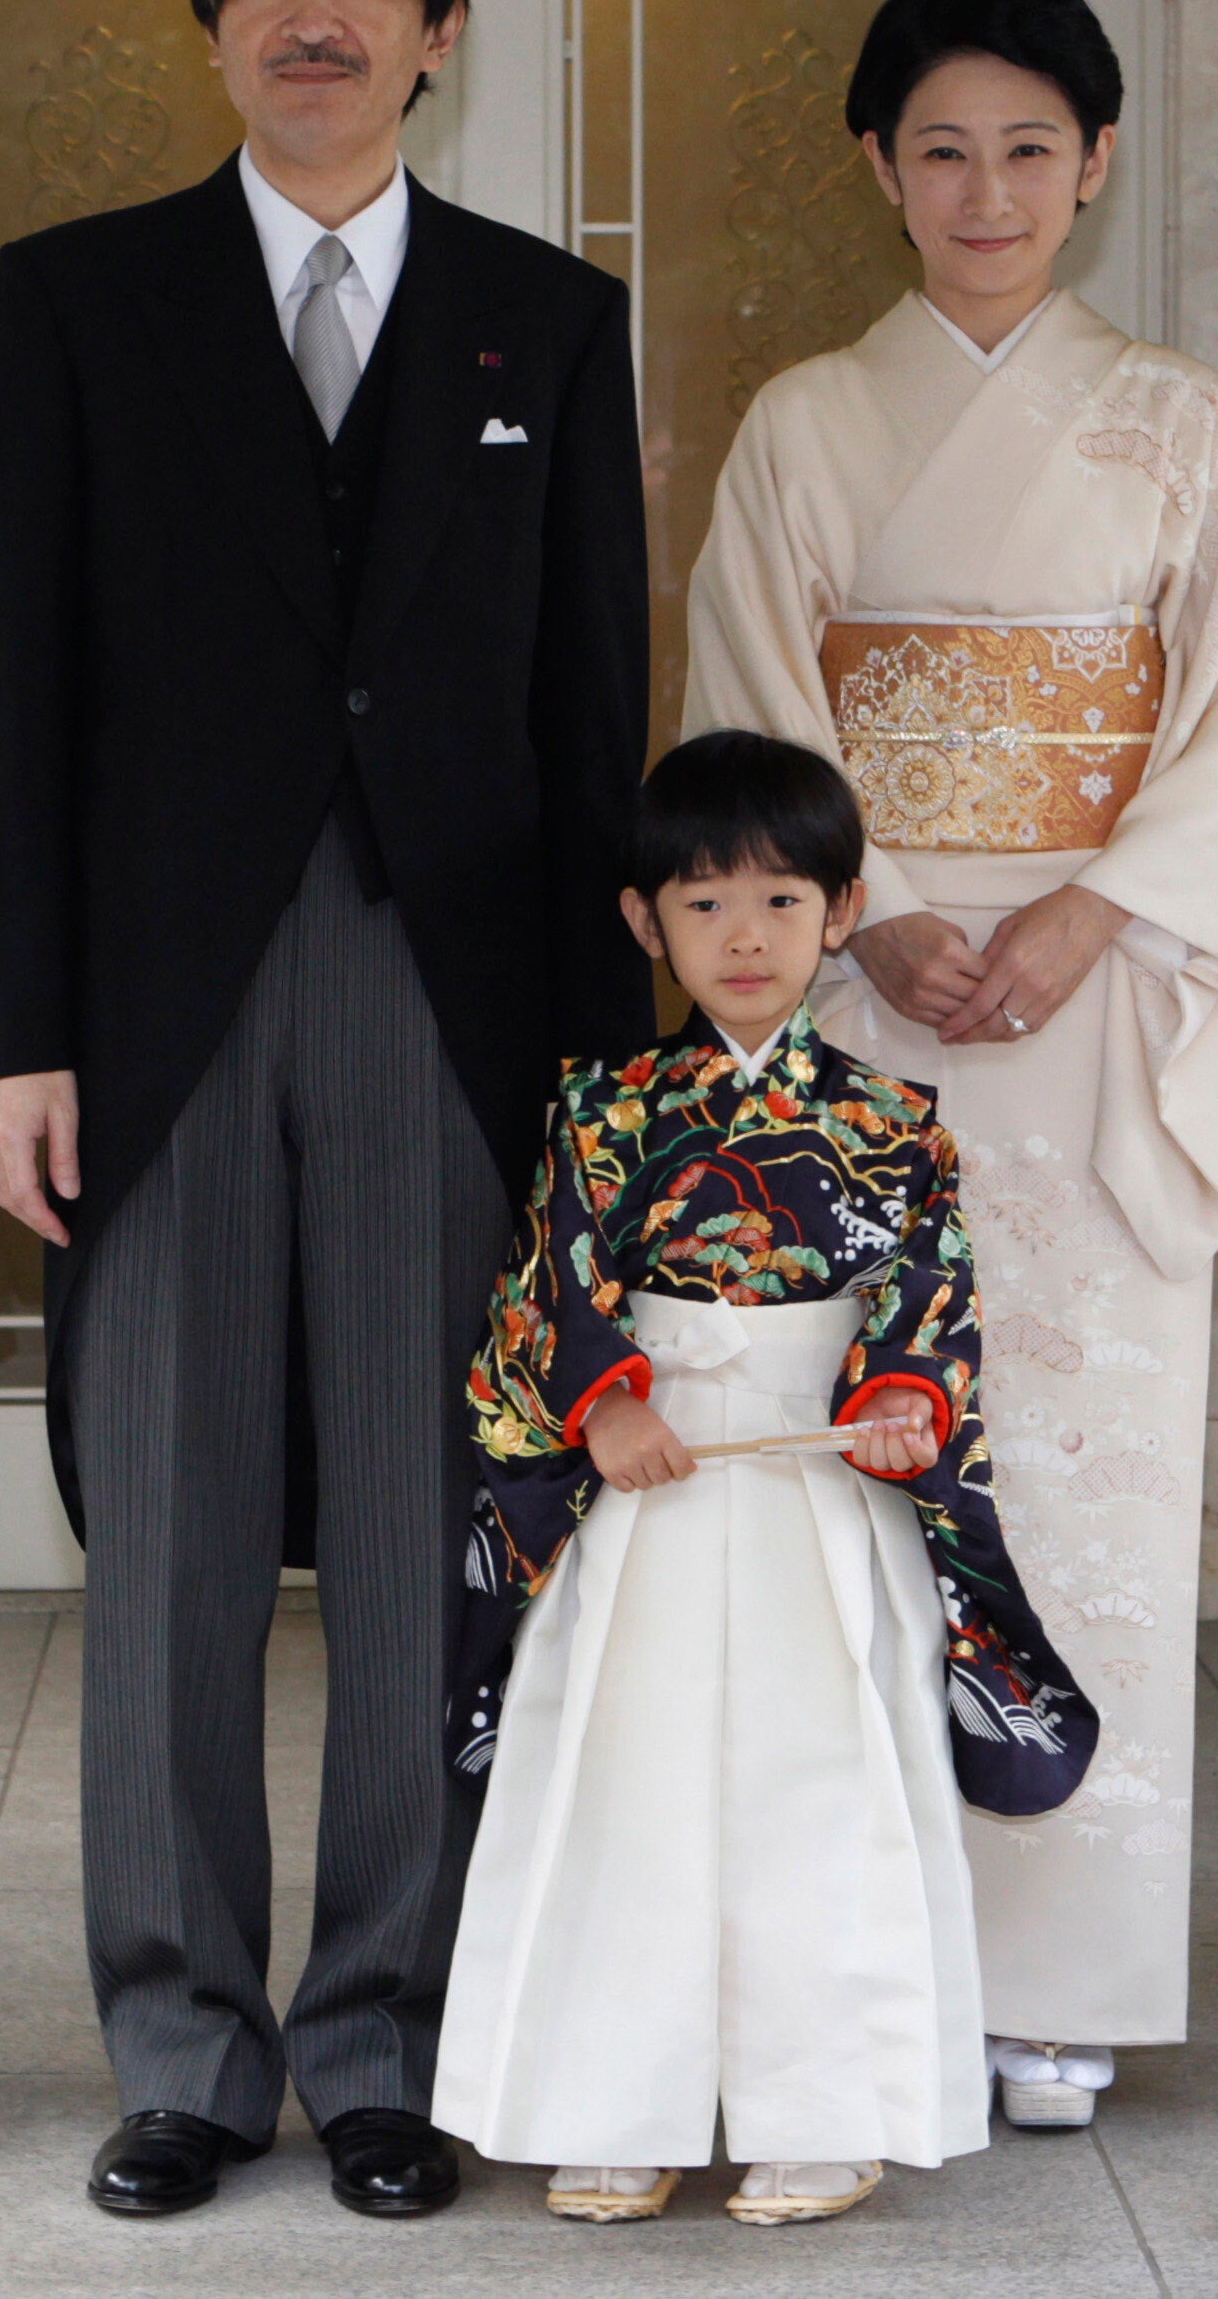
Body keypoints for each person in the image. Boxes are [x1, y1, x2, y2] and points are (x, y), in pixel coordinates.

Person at [0, 0, 650, 2219]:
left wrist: (587, 1084)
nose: (310, 13)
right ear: (212, 22)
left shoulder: (544, 323)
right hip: (154, 1012)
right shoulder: (72, 299)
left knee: (437, 1529)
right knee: (163, 1542)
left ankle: (386, 2035)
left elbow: (588, 728)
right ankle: (180, 2042)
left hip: (444, 1006)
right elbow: (3, 695)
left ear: (439, 29)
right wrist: (13, 1032)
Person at [682, 0, 1218, 2127]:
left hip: (1098, 991)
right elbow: (752, 713)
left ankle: (1065, 1970)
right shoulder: (799, 424)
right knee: (862, 1463)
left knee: (1078, 1475)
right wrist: (890, 916)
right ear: (877, 164)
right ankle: (874, 1945)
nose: (985, 187)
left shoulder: (1181, 428)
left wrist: (1079, 907)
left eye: (1030, 147)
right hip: (874, 995)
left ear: (1097, 164)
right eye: (939, 145)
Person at [432, 732, 1092, 2225]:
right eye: (705, 902)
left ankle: (826, 2107)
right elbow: (554, 1275)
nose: (745, 937)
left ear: (844, 911)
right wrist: (602, 1401)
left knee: (823, 1784)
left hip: (820, 1479)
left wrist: (907, 1398)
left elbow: (933, 1291)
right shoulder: (601, 1106)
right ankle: (611, 2098)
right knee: (629, 1778)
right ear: (641, 920)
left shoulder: (891, 1123)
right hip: (650, 1477)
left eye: (783, 902)